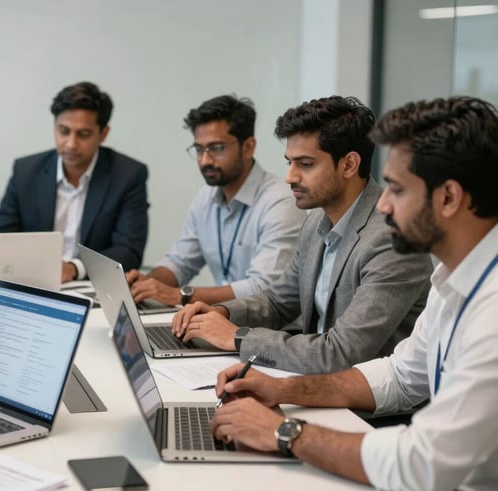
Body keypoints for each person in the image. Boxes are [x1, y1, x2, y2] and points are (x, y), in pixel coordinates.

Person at [209, 96, 498, 491]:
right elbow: (400, 376)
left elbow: (423, 463)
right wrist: (283, 390)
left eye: (396, 188)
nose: (382, 202)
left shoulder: (492, 310)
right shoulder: (453, 277)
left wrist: (283, 431)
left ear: (448, 198)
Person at [173, 96, 432, 374]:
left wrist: (236, 337)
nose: (290, 177)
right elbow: (277, 301)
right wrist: (221, 313)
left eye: (305, 164)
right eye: (290, 163)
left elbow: (341, 353)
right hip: (314, 382)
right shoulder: (316, 223)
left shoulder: (393, 240)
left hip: (365, 409)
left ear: (348, 165)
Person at [126, 95, 304, 306]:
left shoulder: (280, 201)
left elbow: (263, 288)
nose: (205, 160)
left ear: (248, 147)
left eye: (217, 148)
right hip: (221, 319)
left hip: (272, 331)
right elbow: (181, 261)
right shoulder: (205, 198)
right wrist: (148, 284)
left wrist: (183, 295)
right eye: (200, 149)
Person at [0, 81, 149, 282]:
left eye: (83, 134)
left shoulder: (128, 175)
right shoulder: (26, 171)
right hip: (34, 283)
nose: (71, 144)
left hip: (92, 287)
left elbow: (129, 251)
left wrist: (74, 268)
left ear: (103, 134)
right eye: (64, 131)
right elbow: (0, 238)